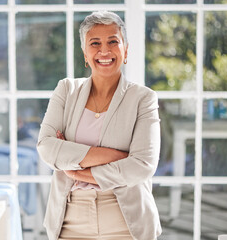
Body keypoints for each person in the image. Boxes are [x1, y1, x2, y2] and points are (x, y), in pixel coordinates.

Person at [37, 11, 162, 240]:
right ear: (85, 53)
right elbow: (46, 146)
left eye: (113, 41)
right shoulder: (66, 90)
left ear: (125, 50)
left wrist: (78, 172)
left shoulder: (144, 98)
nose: (104, 51)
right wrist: (117, 156)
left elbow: (143, 165)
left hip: (126, 223)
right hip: (70, 222)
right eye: (95, 43)